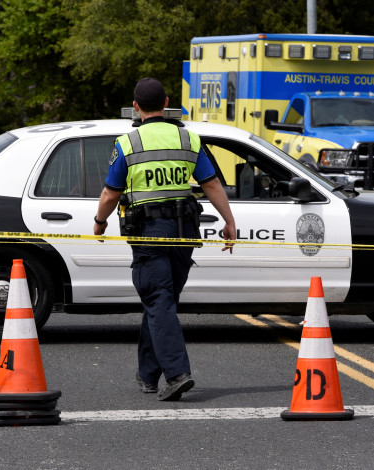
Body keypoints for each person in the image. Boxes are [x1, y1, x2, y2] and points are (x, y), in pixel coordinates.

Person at [94, 78, 236, 401]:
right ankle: (147, 375)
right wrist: (229, 221)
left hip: (149, 237)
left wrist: (100, 222)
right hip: (185, 237)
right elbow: (212, 184)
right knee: (161, 303)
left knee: (159, 302)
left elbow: (109, 193)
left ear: (136, 107)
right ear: (167, 102)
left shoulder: (128, 143)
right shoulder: (188, 138)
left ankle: (177, 375)